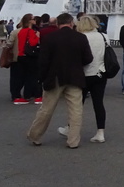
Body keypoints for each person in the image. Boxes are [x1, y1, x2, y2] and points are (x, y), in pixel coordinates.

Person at [25, 13, 94, 148]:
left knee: (46, 109)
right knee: (76, 110)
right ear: (71, 23)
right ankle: (73, 140)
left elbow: (43, 61)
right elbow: (88, 58)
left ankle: (35, 135)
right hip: (75, 76)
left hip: (54, 77)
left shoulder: (50, 38)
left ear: (57, 24)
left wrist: (42, 78)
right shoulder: (80, 37)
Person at [67, 15, 108, 143]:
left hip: (83, 74)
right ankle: (100, 132)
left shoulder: (80, 38)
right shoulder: (104, 36)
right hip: (100, 73)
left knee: (77, 104)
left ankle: (71, 128)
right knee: (98, 103)